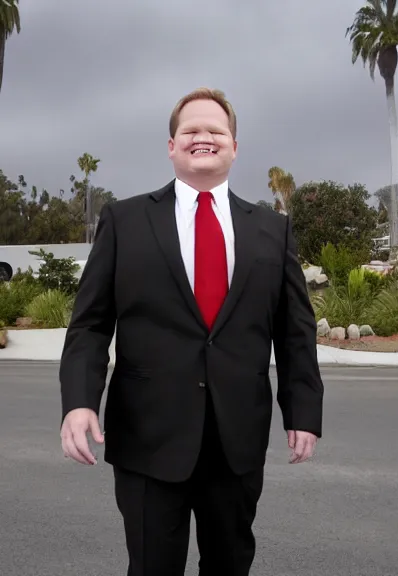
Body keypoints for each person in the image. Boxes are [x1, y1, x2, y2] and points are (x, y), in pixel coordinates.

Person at [59, 87, 324, 576]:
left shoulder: (271, 229)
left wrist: (303, 410)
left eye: (215, 130)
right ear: (172, 145)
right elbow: (91, 325)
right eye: (191, 130)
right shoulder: (125, 220)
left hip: (236, 440)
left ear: (234, 146)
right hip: (147, 439)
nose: (203, 137)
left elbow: (294, 332)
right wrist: (79, 402)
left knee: (230, 565)